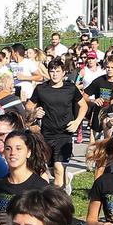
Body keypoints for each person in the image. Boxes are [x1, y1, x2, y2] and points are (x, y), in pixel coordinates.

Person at [30, 59, 86, 190]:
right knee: (50, 169)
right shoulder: (41, 89)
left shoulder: (70, 88)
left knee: (58, 168)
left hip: (65, 133)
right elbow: (29, 106)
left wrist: (77, 122)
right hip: (47, 133)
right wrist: (35, 112)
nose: (55, 74)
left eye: (57, 71)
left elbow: (83, 105)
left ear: (63, 72)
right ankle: (66, 180)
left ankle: (58, 198)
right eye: (52, 71)